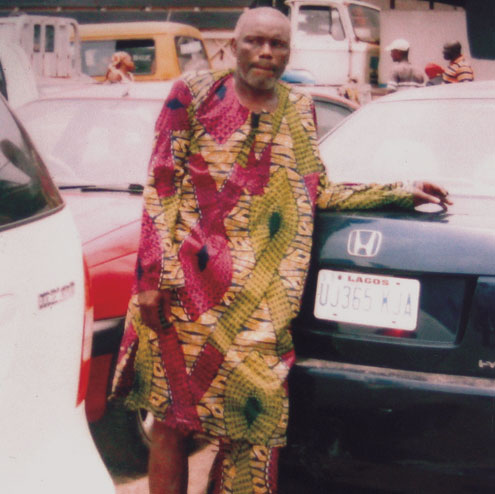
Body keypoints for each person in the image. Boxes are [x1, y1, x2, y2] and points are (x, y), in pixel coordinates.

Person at [110, 7, 451, 494]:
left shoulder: (299, 107)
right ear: (234, 44)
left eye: (277, 45)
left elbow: (315, 189)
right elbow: (160, 186)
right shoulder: (194, 93)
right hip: (183, 294)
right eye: (254, 42)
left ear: (290, 51)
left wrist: (400, 190)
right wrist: (150, 280)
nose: (266, 53)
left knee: (252, 424)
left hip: (260, 308)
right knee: (171, 421)